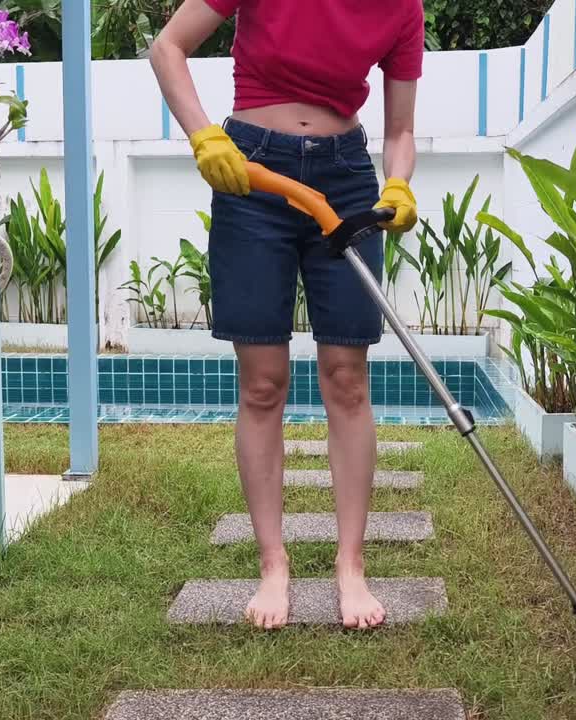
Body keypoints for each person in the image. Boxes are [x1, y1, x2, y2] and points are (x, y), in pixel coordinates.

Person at [151, 0, 423, 630]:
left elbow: (401, 130)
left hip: (346, 179)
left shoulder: (402, 7)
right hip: (252, 174)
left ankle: (350, 566)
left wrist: (400, 183)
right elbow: (167, 48)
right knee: (263, 381)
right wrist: (203, 135)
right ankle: (274, 564)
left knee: (347, 377)